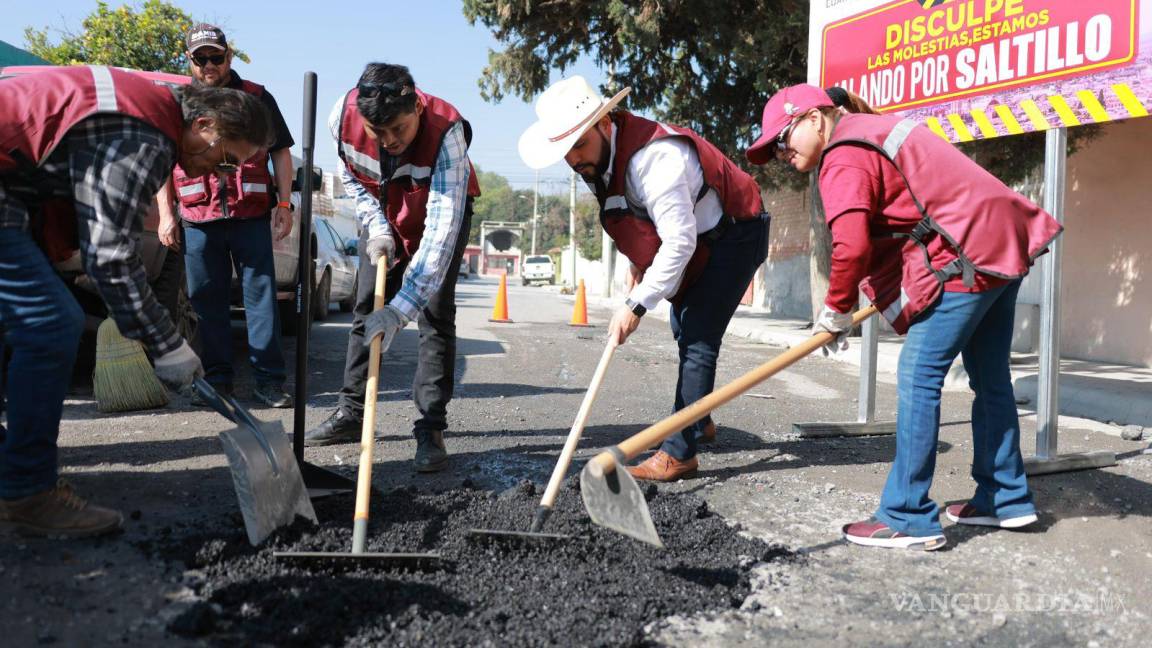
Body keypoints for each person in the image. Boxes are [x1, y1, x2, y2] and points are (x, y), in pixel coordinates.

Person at [746, 84, 1061, 550]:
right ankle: (1004, 497)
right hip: (1000, 241)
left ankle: (908, 515)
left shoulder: (844, 156)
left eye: (781, 139)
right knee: (990, 376)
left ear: (814, 118)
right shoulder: (870, 131)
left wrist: (835, 311)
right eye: (772, 149)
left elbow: (850, 247)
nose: (779, 153)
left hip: (968, 253)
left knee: (918, 374)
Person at [0, 64, 274, 537]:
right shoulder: (146, 133)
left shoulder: (141, 106)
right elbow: (110, 257)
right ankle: (26, 493)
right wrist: (167, 345)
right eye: (227, 159)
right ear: (205, 125)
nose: (222, 173)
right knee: (51, 324)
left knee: (22, 323)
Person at [518, 76, 771, 482]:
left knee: (698, 337)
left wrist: (636, 305)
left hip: (735, 233)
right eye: (565, 152)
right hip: (700, 237)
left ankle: (679, 452)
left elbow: (680, 240)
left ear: (604, 124)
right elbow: (642, 219)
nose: (574, 160)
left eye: (579, 145)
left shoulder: (655, 159)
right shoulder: (602, 159)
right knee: (682, 323)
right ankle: (699, 417)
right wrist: (642, 265)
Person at [304, 63, 480, 473]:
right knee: (365, 307)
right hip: (382, 211)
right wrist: (378, 225)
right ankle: (352, 413)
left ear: (416, 106)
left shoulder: (447, 131)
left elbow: (438, 235)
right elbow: (349, 178)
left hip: (437, 212)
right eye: (377, 132)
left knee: (435, 314)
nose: (389, 141)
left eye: (397, 129)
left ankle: (430, 427)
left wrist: (401, 311)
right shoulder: (341, 118)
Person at [156, 24, 296, 408]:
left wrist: (284, 205)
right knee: (205, 302)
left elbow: (281, 151)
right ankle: (218, 381)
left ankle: (269, 382)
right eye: (200, 58)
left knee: (262, 300)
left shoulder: (256, 97)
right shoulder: (178, 102)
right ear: (189, 61)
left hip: (250, 214)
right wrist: (167, 214)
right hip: (198, 217)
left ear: (229, 56)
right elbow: (164, 160)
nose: (208, 65)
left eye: (215, 57)